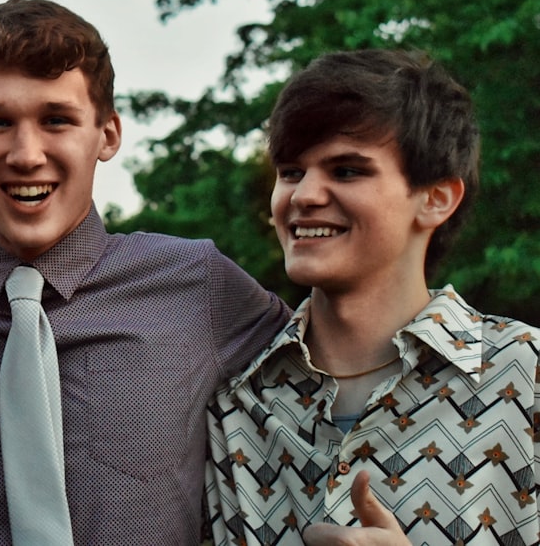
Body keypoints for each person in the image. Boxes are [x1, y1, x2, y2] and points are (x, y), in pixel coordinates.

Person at [0, 0, 291, 544]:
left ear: (107, 134)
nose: (27, 154)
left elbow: (343, 363)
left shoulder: (200, 287)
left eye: (56, 119)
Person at [203, 50, 539, 545]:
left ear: (436, 199)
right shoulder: (237, 399)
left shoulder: (525, 374)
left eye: (346, 171)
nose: (303, 195)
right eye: (292, 171)